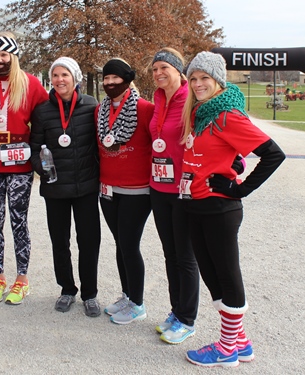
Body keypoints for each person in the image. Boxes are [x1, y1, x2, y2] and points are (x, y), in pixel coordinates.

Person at [180, 51, 285, 367]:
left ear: (218, 80)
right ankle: (240, 342)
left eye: (204, 78)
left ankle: (226, 349)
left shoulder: (227, 115)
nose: (198, 84)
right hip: (196, 205)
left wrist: (239, 189)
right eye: (194, 78)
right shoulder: (201, 114)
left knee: (226, 276)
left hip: (219, 209)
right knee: (212, 275)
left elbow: (273, 155)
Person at [0, 32, 48, 305]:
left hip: (18, 164)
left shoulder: (29, 84)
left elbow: (47, 115)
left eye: (4, 55)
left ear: (13, 56)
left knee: (18, 221)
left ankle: (22, 278)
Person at [30, 57, 101, 317]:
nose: (60, 80)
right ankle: (67, 289)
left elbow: (100, 144)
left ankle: (90, 294)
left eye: (65, 75)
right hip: (56, 189)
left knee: (89, 242)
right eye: (56, 75)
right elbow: (34, 148)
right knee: (60, 242)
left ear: (75, 78)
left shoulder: (92, 105)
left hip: (85, 188)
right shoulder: (42, 111)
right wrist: (42, 168)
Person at [96, 59, 154, 324]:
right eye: (105, 78)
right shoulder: (100, 110)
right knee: (121, 245)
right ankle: (127, 294)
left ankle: (138, 303)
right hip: (108, 189)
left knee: (130, 246)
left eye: (115, 78)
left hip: (137, 191)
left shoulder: (146, 109)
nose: (109, 83)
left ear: (127, 79)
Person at [149, 47, 200, 343]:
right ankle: (175, 310)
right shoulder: (157, 100)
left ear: (178, 71)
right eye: (155, 69)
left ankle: (187, 319)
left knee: (186, 256)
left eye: (164, 68)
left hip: (184, 190)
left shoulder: (190, 101)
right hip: (159, 187)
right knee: (170, 254)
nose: (158, 74)